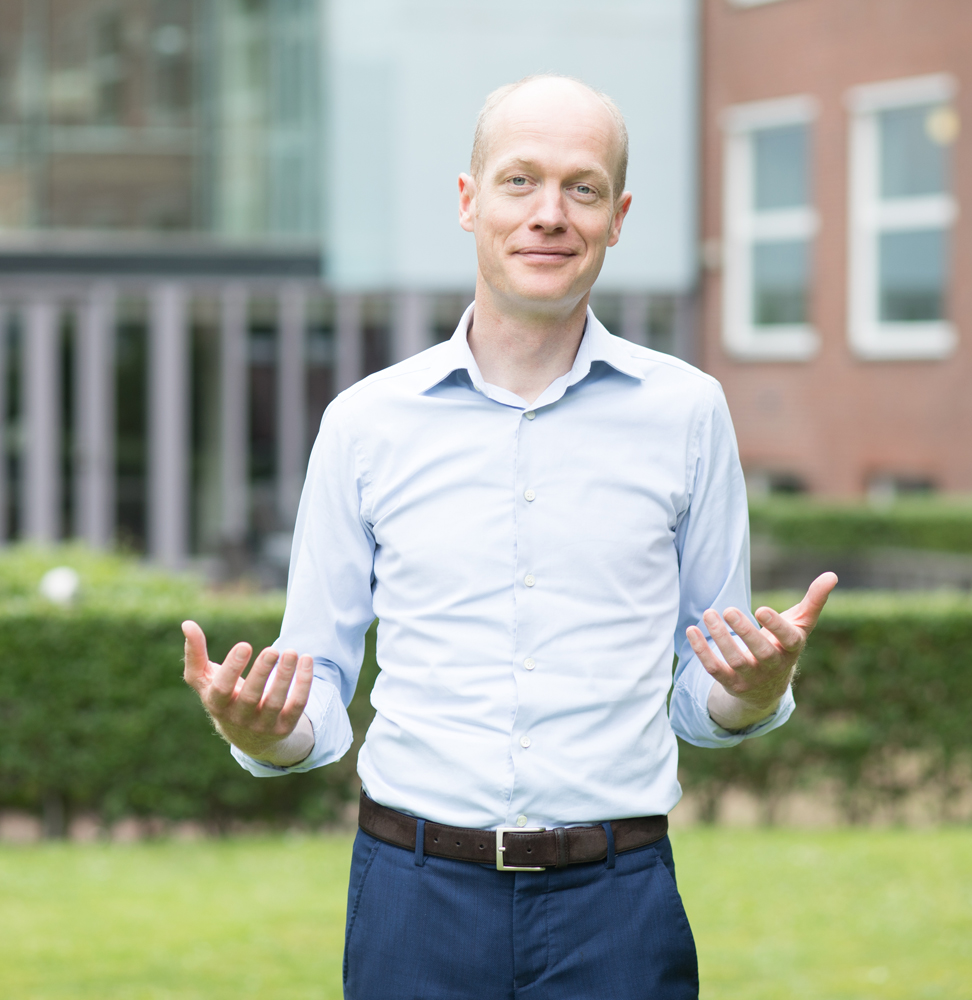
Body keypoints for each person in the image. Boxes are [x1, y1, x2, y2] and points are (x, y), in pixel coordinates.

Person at [182, 74, 837, 999]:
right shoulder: (365, 423)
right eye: (520, 180)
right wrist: (270, 731)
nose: (550, 214)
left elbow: (705, 691)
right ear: (469, 201)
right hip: (414, 903)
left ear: (618, 217)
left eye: (583, 188)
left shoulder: (689, 414)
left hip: (618, 909)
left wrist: (754, 690)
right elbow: (316, 681)